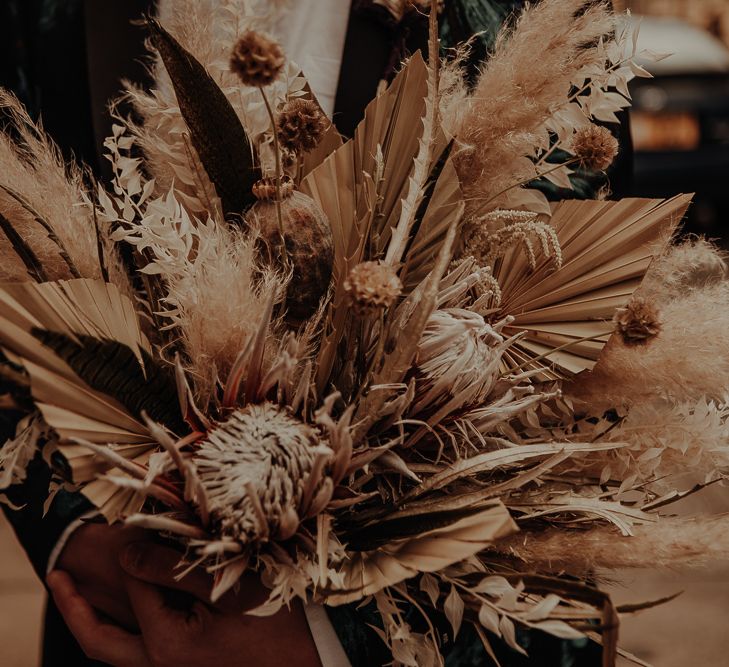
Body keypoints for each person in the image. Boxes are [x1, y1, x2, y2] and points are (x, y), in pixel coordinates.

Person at [1, 1, 627, 665]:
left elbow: (579, 358)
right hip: (121, 633)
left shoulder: (529, 15)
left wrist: (329, 644)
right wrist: (85, 543)